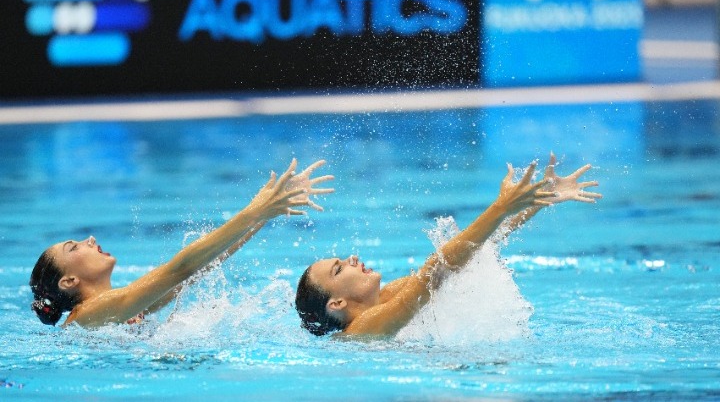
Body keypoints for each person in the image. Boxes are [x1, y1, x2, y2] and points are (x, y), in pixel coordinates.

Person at [295, 153, 602, 336]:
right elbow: (435, 273)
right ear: (336, 304)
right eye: (339, 269)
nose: (351, 258)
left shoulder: (385, 297)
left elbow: (462, 257)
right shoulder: (361, 330)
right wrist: (500, 207)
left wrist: (535, 202)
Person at [30, 159, 334, 327]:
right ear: (69, 281)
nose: (90, 239)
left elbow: (196, 268)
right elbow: (181, 268)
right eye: (75, 247)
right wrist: (253, 211)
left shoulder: (122, 305)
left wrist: (265, 212)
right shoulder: (89, 315)